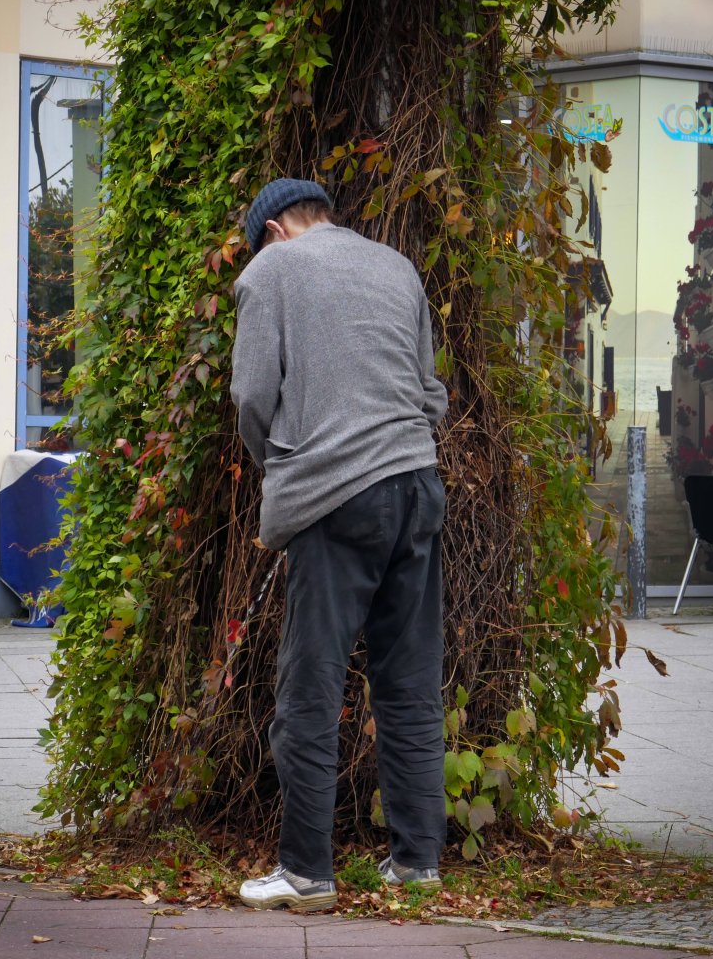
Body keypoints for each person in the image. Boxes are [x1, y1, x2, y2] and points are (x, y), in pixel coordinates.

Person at [230, 178, 449, 911]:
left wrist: (285, 469)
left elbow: (251, 397)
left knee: (310, 689)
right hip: (417, 487)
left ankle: (305, 873)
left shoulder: (270, 271)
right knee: (410, 684)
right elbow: (431, 394)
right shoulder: (394, 266)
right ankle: (416, 863)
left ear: (271, 230)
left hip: (334, 496)